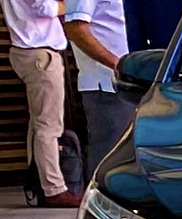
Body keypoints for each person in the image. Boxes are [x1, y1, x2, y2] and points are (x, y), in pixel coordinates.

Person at [6, 0, 77, 207]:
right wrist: (68, 5)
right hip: (40, 52)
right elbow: (45, 7)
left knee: (39, 124)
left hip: (27, 50)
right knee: (49, 125)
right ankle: (54, 189)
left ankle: (38, 183)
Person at [63, 0, 131, 170]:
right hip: (106, 83)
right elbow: (75, 29)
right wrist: (117, 64)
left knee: (123, 158)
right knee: (108, 157)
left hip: (126, 84)